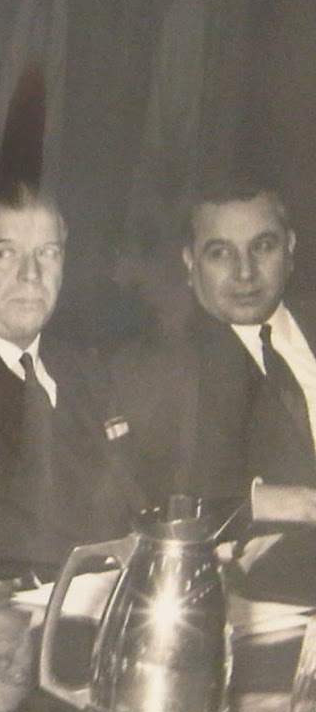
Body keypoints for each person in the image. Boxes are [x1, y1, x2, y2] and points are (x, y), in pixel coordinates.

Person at [111, 179, 316, 600]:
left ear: (291, 247)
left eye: (263, 246)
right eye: (220, 253)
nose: (245, 272)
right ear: (190, 262)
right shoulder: (152, 368)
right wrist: (278, 502)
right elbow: (164, 499)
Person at [0, 184, 140, 582]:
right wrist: (113, 553)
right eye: (5, 253)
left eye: (47, 252)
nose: (31, 274)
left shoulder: (85, 368)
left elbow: (138, 489)